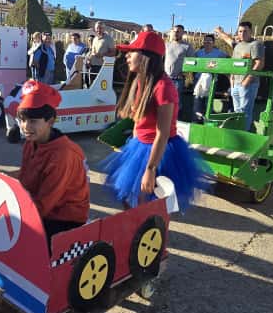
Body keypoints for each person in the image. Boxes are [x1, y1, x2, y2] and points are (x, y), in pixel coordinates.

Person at [101, 31, 206, 209]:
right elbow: (138, 121)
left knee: (145, 204)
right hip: (139, 146)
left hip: (160, 152)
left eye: (132, 52)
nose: (126, 56)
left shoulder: (163, 87)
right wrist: (132, 146)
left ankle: (147, 232)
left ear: (146, 57)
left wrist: (150, 169)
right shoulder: (139, 81)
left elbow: (162, 133)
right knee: (128, 198)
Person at [9, 81, 89, 244]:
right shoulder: (31, 142)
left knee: (17, 241)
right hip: (39, 204)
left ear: (51, 121)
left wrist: (13, 214)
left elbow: (44, 205)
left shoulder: (63, 155)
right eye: (23, 120)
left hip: (64, 218)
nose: (25, 127)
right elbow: (25, 176)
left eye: (33, 121)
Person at [214, 22, 265, 132]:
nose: (242, 33)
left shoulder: (255, 44)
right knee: (237, 111)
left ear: (250, 32)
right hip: (235, 84)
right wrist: (219, 32)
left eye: (245, 31)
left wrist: (247, 80)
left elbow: (259, 63)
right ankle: (238, 133)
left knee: (245, 112)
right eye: (240, 31)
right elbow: (228, 40)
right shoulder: (238, 45)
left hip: (248, 84)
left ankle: (243, 134)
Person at [192, 34, 229, 122]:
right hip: (198, 81)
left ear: (213, 42)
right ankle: (196, 122)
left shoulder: (219, 53)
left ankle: (208, 122)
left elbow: (228, 59)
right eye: (205, 41)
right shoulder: (198, 52)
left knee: (208, 103)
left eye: (209, 41)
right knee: (197, 101)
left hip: (212, 81)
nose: (207, 43)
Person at [84, 22, 115, 87]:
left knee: (102, 86)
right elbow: (92, 51)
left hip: (102, 66)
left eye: (100, 28)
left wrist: (102, 55)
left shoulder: (109, 39)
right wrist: (89, 59)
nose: (98, 30)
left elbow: (113, 53)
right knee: (92, 85)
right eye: (97, 28)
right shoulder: (95, 39)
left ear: (104, 29)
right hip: (93, 66)